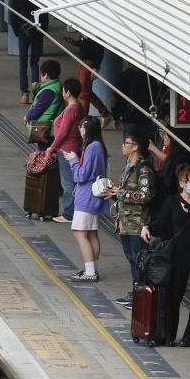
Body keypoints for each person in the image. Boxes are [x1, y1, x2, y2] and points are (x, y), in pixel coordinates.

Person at [144, 162, 190, 346]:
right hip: (178, 254)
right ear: (182, 183)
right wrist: (147, 227)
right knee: (174, 295)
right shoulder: (172, 201)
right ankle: (169, 334)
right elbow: (161, 223)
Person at [102, 130, 156, 302]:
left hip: (137, 223)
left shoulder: (144, 169)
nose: (123, 146)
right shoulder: (128, 166)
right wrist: (115, 193)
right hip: (125, 222)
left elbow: (146, 195)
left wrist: (122, 193)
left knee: (138, 259)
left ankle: (141, 294)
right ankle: (136, 291)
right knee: (132, 258)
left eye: (126, 143)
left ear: (135, 147)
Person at [68, 118, 109, 282]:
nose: (80, 129)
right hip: (93, 197)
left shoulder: (92, 147)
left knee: (79, 233)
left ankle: (90, 271)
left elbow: (81, 175)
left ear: (89, 129)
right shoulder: (98, 146)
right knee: (91, 233)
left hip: (86, 197)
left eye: (82, 126)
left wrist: (73, 160)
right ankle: (92, 268)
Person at [50, 78, 84, 222]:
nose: (62, 92)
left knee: (68, 182)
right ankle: (76, 210)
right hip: (75, 147)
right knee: (73, 180)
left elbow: (63, 132)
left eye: (63, 90)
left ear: (68, 92)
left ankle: (69, 214)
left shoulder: (71, 109)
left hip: (66, 149)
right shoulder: (78, 107)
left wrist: (52, 148)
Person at [23, 59, 63, 147]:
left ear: (46, 75)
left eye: (41, 74)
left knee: (43, 152)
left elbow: (38, 109)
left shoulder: (49, 91)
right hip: (52, 127)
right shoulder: (58, 86)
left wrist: (27, 117)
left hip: (45, 128)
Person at [14, 8, 47, 104]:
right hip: (37, 33)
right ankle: (35, 90)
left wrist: (17, 32)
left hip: (23, 32)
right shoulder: (40, 1)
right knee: (34, 62)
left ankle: (24, 94)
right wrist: (42, 32)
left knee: (23, 63)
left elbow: (13, 17)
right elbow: (45, 18)